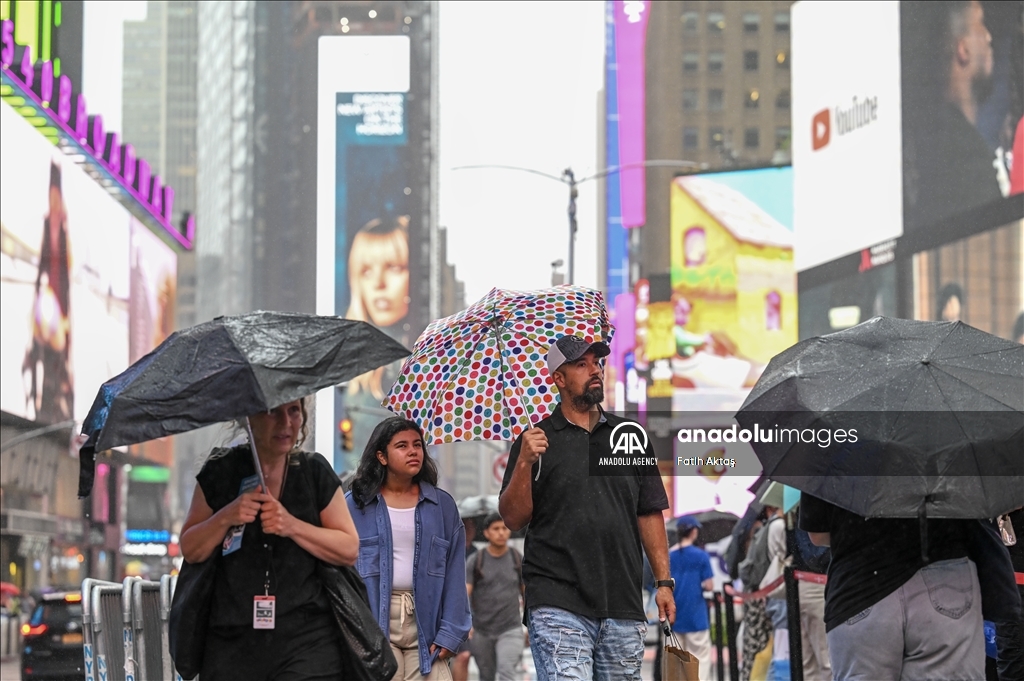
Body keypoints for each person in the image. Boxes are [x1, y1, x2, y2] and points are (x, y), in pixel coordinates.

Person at [499, 334, 675, 681]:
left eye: (597, 362)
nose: (594, 370)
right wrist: (524, 462)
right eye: (581, 364)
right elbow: (514, 518)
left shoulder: (631, 435)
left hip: (622, 601)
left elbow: (649, 511)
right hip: (556, 600)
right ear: (559, 379)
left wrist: (663, 582)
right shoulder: (535, 440)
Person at [179, 398, 360, 680]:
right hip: (231, 640)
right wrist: (227, 515)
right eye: (272, 412)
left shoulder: (314, 472)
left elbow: (349, 548)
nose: (285, 423)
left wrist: (291, 525)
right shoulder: (221, 471)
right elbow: (191, 548)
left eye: (293, 411)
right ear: (249, 418)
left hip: (307, 640)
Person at [801, 493, 984, 680]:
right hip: (943, 576)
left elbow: (817, 534)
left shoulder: (830, 464)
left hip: (860, 586)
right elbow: (980, 502)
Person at [348, 417, 471, 681]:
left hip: (427, 621)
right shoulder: (355, 505)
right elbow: (340, 570)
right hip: (373, 621)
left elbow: (454, 574)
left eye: (417, 444)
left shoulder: (442, 507)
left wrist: (451, 633)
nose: (413, 451)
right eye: (402, 446)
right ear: (381, 456)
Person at [903, 0, 1002, 230]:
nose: (988, 37)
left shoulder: (934, 142)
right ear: (963, 48)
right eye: (980, 24)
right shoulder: (965, 156)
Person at [24, 162, 73, 424]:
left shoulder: (64, 230)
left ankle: (52, 413)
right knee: (39, 361)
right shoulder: (46, 224)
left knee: (55, 367)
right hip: (45, 311)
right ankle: (40, 410)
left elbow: (67, 279)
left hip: (59, 317)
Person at [466, 512, 524, 681]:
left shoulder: (517, 558)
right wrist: (466, 623)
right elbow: (464, 595)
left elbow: (526, 592)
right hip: (482, 631)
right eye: (496, 528)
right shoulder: (476, 560)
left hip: (510, 628)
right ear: (486, 533)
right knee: (486, 676)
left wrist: (531, 625)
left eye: (504, 528)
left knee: (507, 673)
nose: (501, 532)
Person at [669, 516, 714, 681]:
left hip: (674, 613)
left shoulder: (669, 556)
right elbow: (709, 585)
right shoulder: (701, 556)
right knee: (699, 659)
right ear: (693, 531)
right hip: (696, 614)